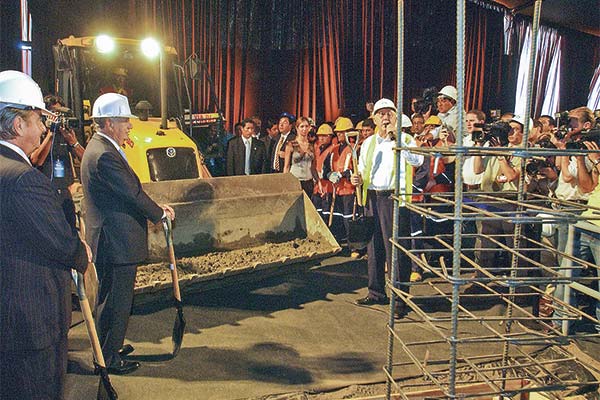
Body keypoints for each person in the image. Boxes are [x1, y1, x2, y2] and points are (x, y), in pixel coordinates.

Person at [0, 70, 91, 400]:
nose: (43, 128)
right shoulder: (24, 179)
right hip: (28, 322)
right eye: (38, 119)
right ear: (18, 125)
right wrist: (81, 251)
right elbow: (61, 245)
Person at [81, 92, 175, 375]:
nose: (129, 126)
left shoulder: (100, 147)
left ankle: (109, 345)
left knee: (110, 298)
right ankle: (109, 358)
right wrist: (158, 213)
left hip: (111, 237)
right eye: (125, 121)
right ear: (109, 123)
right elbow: (132, 193)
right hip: (116, 239)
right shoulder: (105, 156)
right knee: (118, 300)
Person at [351, 98, 423, 318]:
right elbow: (363, 168)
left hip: (394, 198)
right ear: (374, 118)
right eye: (381, 114)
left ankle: (400, 301)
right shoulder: (369, 142)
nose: (384, 117)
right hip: (372, 197)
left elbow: (417, 161)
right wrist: (357, 178)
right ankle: (376, 292)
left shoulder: (406, 139)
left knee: (396, 251)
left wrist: (396, 137)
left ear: (396, 117)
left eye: (389, 114)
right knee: (374, 249)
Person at [29, 94, 85, 229]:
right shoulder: (39, 133)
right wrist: (51, 134)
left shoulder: (65, 133)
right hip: (45, 192)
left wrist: (73, 142)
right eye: (55, 113)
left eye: (60, 114)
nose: (58, 118)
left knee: (70, 229)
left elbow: (85, 159)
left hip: (65, 192)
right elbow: (37, 160)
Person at [283, 116, 318, 196]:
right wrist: (285, 183)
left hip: (308, 182)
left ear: (309, 128)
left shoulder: (312, 146)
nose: (304, 129)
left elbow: (313, 167)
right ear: (297, 128)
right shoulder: (290, 145)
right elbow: (286, 166)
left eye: (306, 126)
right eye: (302, 126)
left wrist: (318, 181)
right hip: (295, 181)